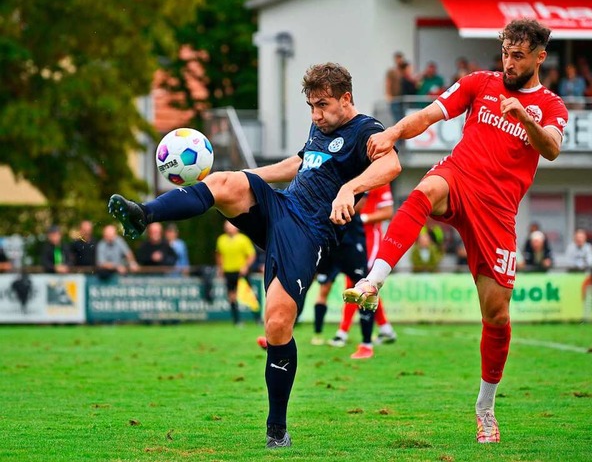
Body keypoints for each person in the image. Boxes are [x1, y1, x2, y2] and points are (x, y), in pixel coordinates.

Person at [107, 62, 401, 448]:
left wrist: (351, 188)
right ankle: (142, 214)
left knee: (277, 324)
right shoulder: (319, 127)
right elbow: (297, 164)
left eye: (323, 105)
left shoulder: (367, 130)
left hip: (311, 233)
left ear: (346, 98)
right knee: (226, 181)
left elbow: (392, 163)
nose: (316, 114)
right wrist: (249, 176)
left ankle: (277, 430)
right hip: (282, 209)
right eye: (311, 105)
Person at [343, 19, 567, 444]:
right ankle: (373, 280)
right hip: (460, 176)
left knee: (497, 316)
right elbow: (429, 115)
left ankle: (485, 407)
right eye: (505, 52)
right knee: (423, 192)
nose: (509, 62)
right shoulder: (480, 83)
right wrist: (391, 132)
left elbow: (551, 149)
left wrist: (524, 117)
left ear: (540, 57)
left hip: (499, 212)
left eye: (518, 56)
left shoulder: (551, 106)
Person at [329, 184, 398, 348]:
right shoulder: (354, 174)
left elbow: (387, 212)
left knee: (360, 283)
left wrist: (362, 218)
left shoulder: (380, 179)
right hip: (351, 238)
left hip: (370, 240)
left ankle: (343, 332)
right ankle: (385, 328)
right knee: (357, 283)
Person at [310, 212, 376, 359]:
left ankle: (366, 344)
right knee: (323, 288)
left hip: (351, 243)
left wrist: (343, 204)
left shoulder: (353, 188)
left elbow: (361, 203)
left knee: (363, 289)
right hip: (331, 242)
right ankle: (317, 334)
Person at [215, 220, 256, 325]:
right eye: (227, 226)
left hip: (241, 272)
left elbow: (251, 255)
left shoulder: (243, 239)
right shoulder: (221, 240)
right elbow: (219, 255)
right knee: (231, 296)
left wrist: (245, 266)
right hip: (229, 271)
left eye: (231, 226)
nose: (229, 228)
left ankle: (257, 318)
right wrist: (220, 268)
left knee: (249, 294)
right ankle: (236, 320)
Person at [386, 51, 406, 123]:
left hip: (403, 98)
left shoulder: (404, 70)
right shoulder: (392, 71)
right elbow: (388, 83)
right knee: (397, 118)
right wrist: (388, 94)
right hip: (395, 98)